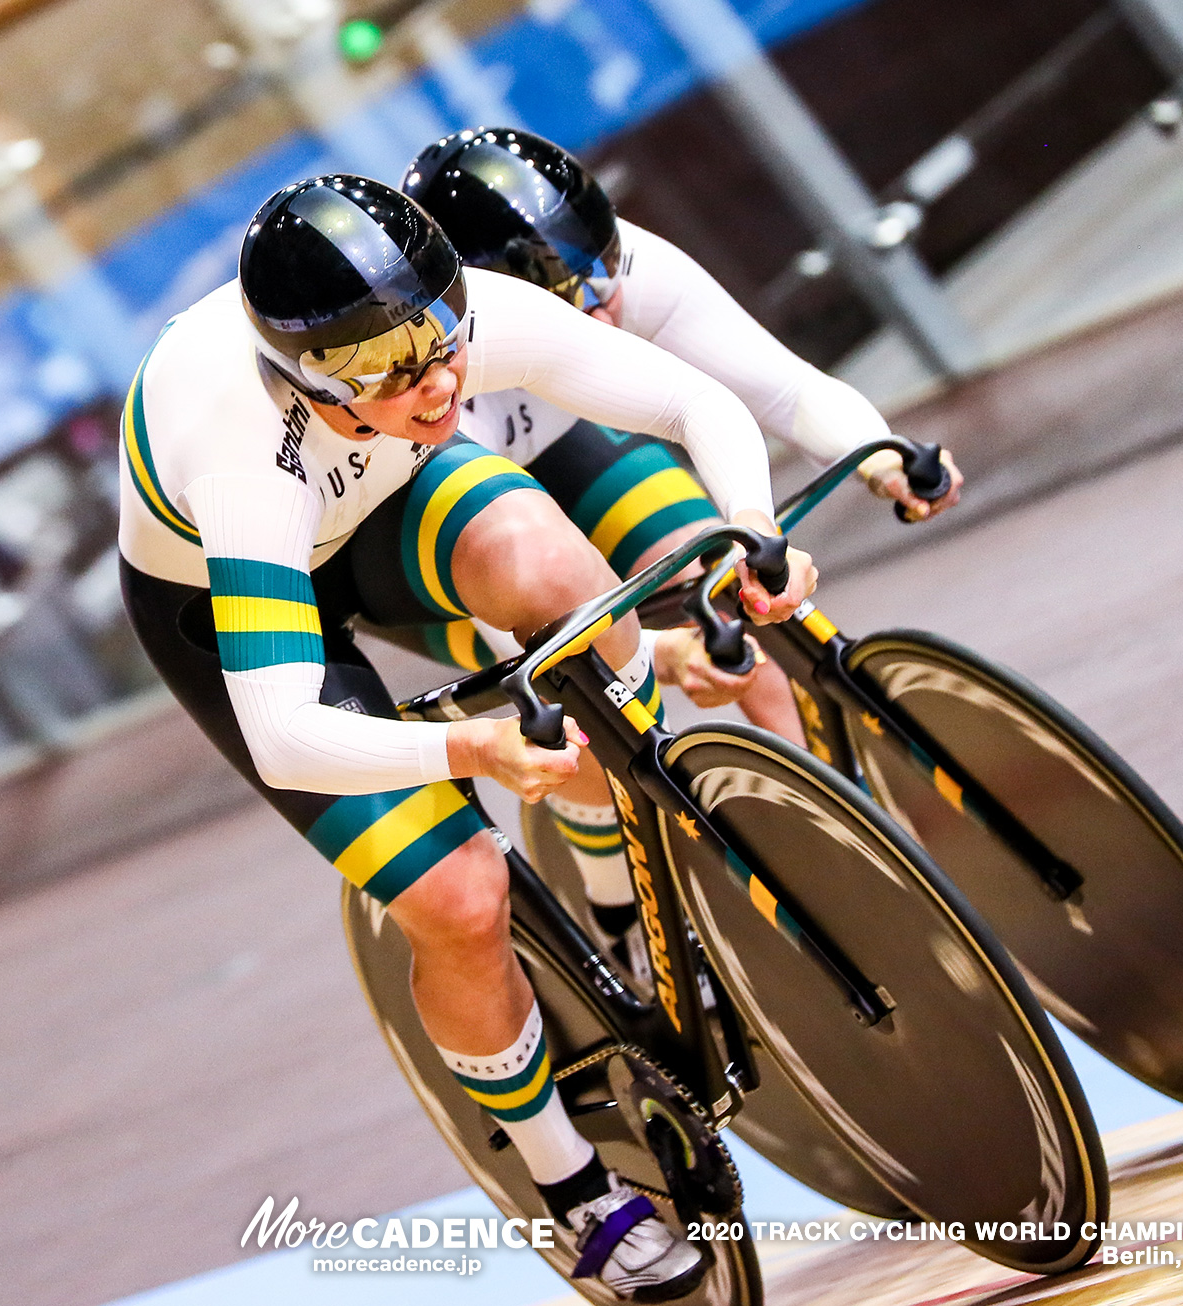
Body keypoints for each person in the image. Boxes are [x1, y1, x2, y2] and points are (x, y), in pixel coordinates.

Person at [118, 174, 815, 1300]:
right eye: (385, 370)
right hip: (229, 596)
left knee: (554, 575)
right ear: (303, 376)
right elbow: (289, 735)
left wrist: (749, 527)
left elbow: (696, 406)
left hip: (384, 498)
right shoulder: (245, 456)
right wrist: (474, 752)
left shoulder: (456, 324)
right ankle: (567, 1180)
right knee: (459, 895)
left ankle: (617, 897)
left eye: (438, 339)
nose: (434, 378)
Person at [400, 127, 963, 950]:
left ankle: (850, 841)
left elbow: (781, 387)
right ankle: (621, 921)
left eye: (603, 264)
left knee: (727, 585)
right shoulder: (429, 382)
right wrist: (657, 657)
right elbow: (511, 615)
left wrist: (878, 461)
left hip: (569, 445)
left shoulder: (624, 265)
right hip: (453, 519)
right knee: (589, 695)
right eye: (571, 297)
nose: (605, 301)